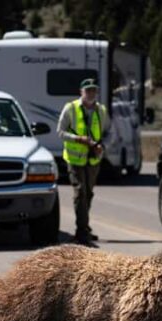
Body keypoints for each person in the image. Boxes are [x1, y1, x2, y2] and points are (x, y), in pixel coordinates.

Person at [57, 78, 110, 245]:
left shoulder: (101, 110)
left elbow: (107, 132)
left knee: (88, 193)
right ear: (81, 92)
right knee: (80, 192)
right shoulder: (70, 108)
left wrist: (101, 146)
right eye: (87, 90)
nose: (91, 93)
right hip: (74, 159)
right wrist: (78, 139)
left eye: (93, 90)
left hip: (93, 159)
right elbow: (60, 132)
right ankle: (81, 232)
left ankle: (84, 227)